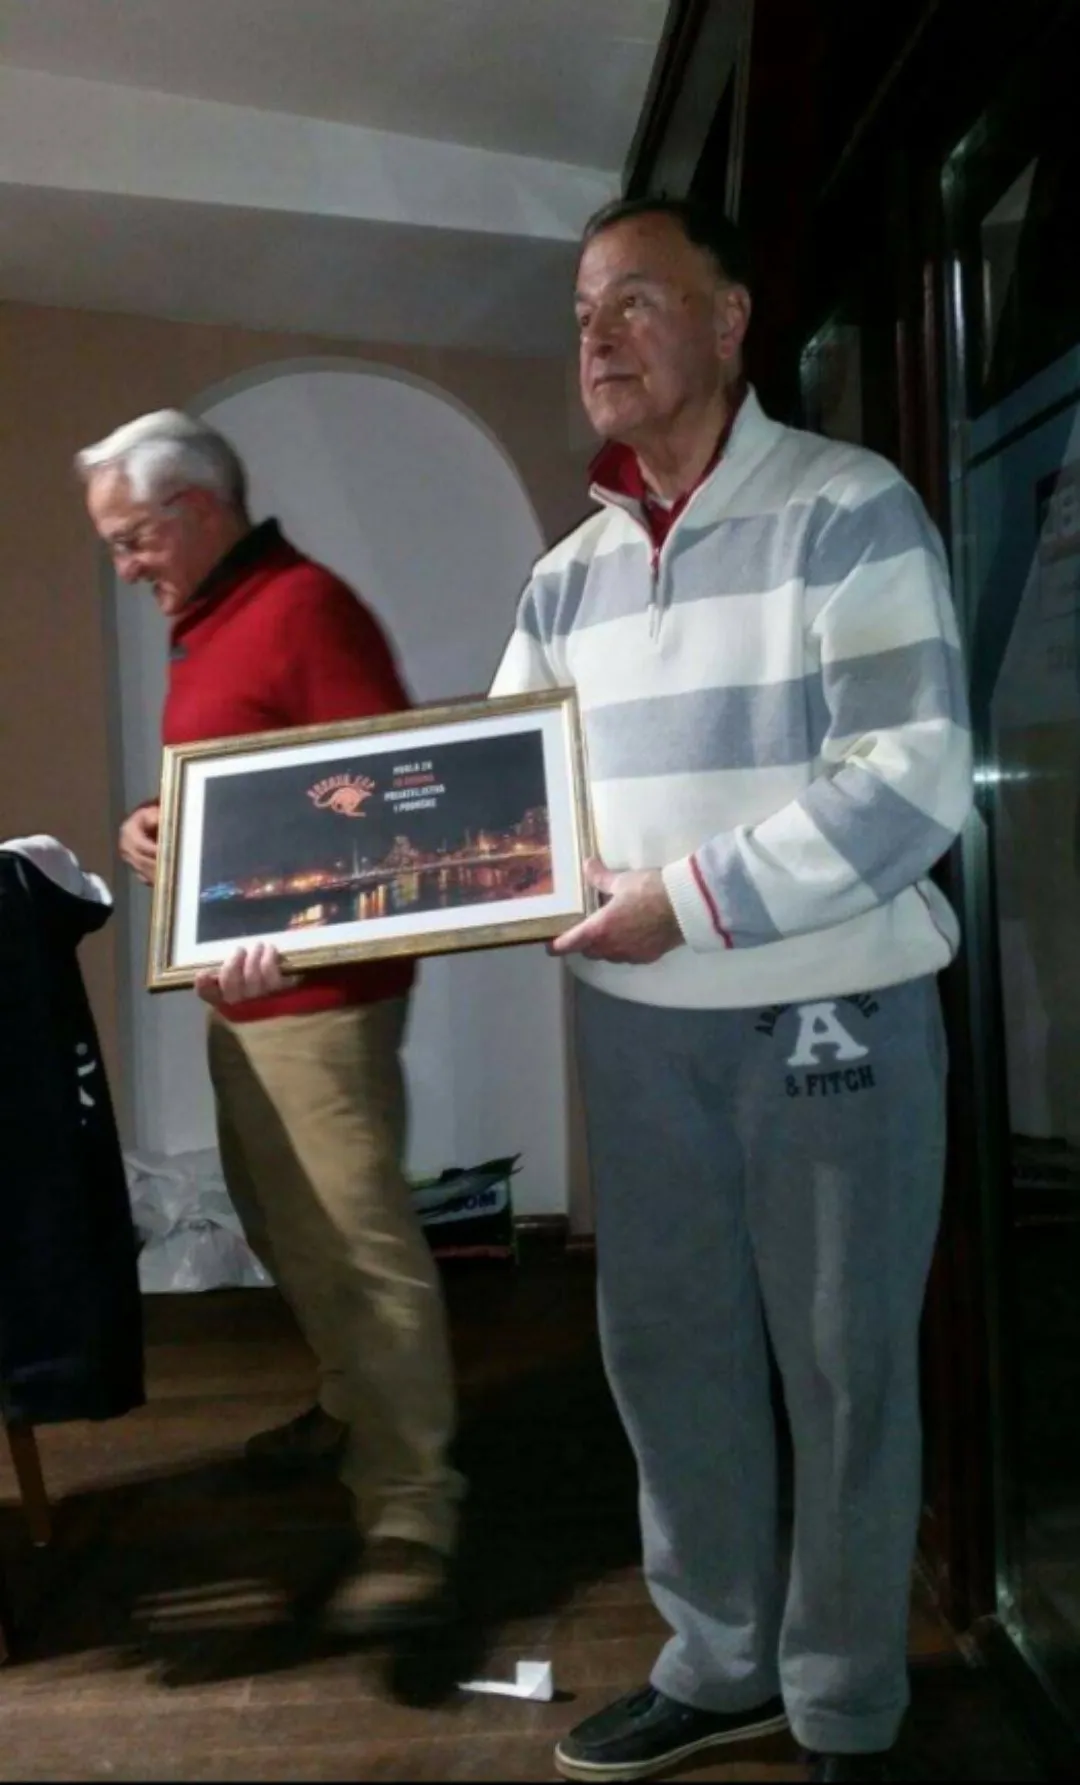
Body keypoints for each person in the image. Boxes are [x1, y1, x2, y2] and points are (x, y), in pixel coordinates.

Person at [220, 195, 972, 1780]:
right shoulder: (565, 581)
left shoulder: (848, 508)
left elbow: (909, 782)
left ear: (729, 319)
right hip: (639, 1037)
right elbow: (482, 824)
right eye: (581, 312)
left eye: (635, 299)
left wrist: (681, 901)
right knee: (672, 1360)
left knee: (844, 1373)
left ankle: (846, 1702)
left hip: (830, 1022)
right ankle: (720, 1664)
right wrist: (264, 892)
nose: (598, 335)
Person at [77, 410, 462, 1632]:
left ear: (195, 509)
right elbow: (267, 796)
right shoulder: (210, 622)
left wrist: (289, 934)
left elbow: (391, 810)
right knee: (274, 1213)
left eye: (133, 539)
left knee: (357, 1242)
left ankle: (411, 1514)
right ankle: (351, 1403)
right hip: (246, 997)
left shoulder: (305, 609)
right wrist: (158, 824)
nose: (124, 566)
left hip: (322, 1004)